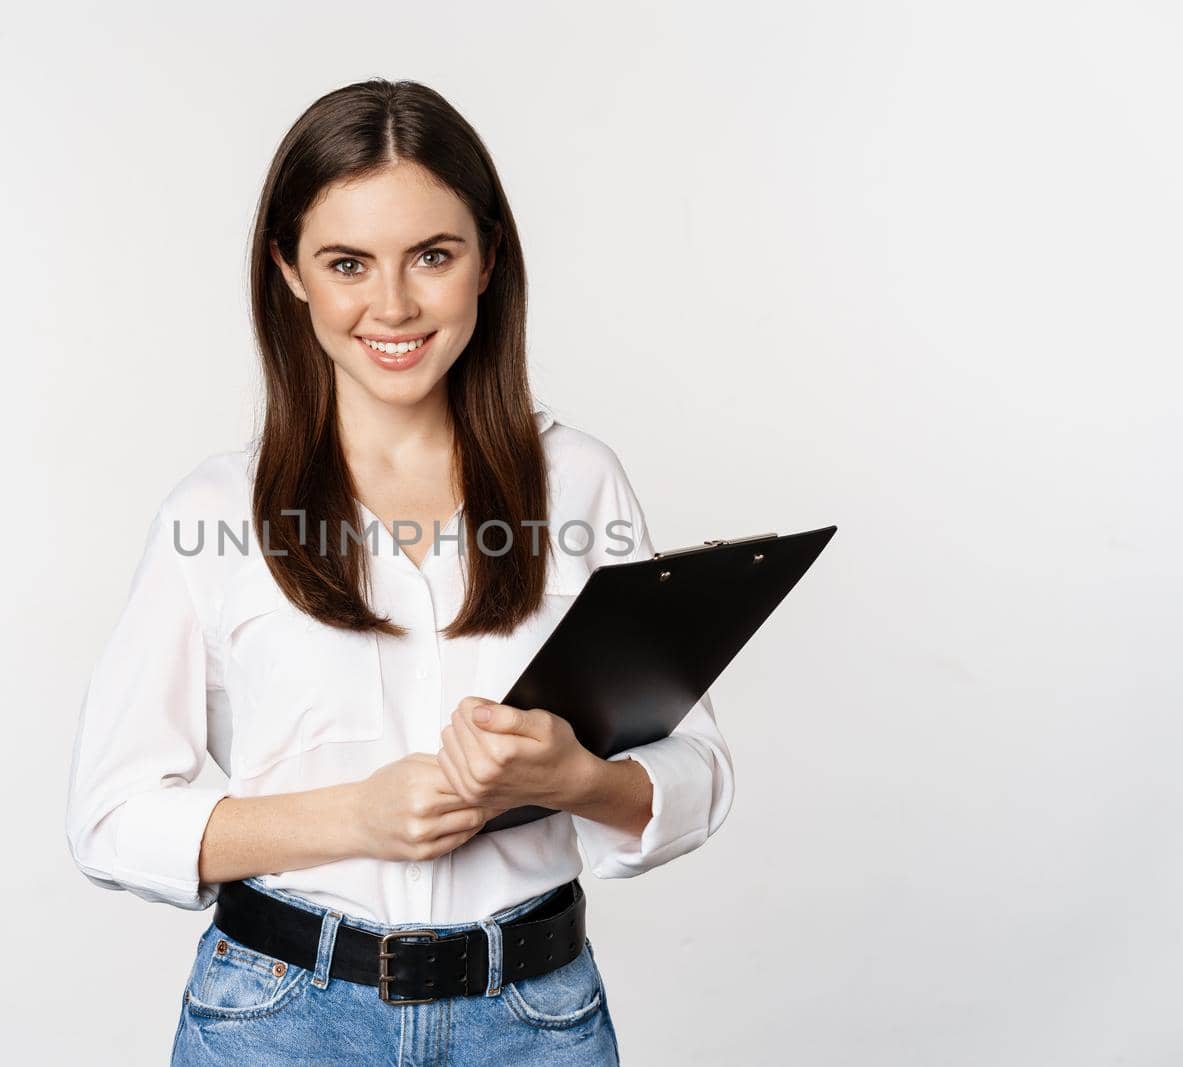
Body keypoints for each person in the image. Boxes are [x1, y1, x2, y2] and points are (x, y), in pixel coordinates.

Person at [64, 78, 735, 1066]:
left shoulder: (580, 481)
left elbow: (696, 770)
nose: (393, 303)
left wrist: (576, 777)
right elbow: (111, 817)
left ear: (487, 260)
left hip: (533, 1020)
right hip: (278, 1022)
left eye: (432, 255)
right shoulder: (214, 512)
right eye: (347, 262)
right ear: (289, 270)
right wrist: (354, 815)